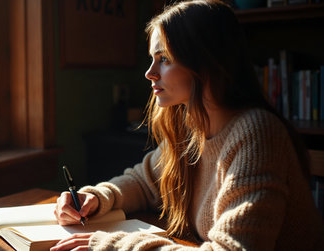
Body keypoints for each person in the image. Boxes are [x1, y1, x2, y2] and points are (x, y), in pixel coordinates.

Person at [51, 0, 324, 250]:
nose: (150, 73)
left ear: (205, 61)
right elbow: (145, 182)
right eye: (152, 59)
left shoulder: (257, 134)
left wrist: (121, 245)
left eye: (165, 59)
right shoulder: (192, 126)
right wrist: (96, 197)